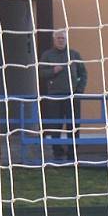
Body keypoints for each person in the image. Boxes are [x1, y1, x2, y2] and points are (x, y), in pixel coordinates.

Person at [39, 30, 87, 160]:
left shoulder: (74, 54)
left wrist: (79, 91)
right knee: (55, 125)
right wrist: (53, 71)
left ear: (66, 39)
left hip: (72, 96)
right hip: (54, 96)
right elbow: (41, 73)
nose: (61, 40)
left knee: (74, 125)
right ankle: (57, 152)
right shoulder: (47, 55)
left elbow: (83, 74)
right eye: (59, 38)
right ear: (54, 40)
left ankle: (73, 153)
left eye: (63, 38)